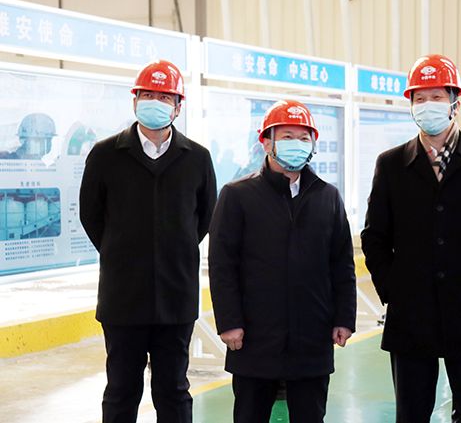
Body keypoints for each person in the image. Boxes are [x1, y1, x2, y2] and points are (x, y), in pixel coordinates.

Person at [362, 54, 461, 423]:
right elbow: (375, 237)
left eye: (436, 97)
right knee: (411, 412)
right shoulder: (391, 165)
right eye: (420, 98)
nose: (428, 105)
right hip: (412, 314)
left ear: (455, 104)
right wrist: (393, 290)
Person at [79, 59, 217, 423]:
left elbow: (204, 218)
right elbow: (91, 216)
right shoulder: (105, 155)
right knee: (121, 390)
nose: (155, 102)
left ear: (178, 106)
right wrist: (122, 250)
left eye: (165, 97)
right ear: (135, 100)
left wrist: (172, 249)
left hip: (176, 297)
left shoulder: (197, 158)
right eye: (148, 95)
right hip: (123, 298)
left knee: (173, 391)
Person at [208, 99, 356, 423]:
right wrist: (229, 321)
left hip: (312, 337)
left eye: (304, 138)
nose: (296, 144)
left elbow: (342, 264)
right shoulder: (237, 195)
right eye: (287, 136)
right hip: (253, 338)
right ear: (266, 142)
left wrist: (344, 318)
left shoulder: (327, 196)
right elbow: (222, 265)